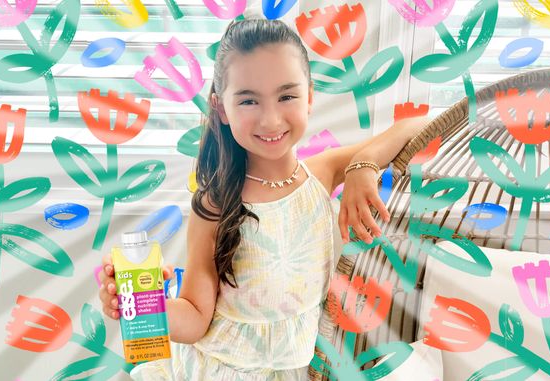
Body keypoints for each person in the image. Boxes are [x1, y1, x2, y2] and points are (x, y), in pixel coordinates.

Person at [98, 17, 428, 380]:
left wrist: (361, 167)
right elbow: (194, 317)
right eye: (249, 100)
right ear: (221, 108)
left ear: (310, 97)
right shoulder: (215, 205)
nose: (271, 120)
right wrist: (148, 309)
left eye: (287, 96)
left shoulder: (320, 174)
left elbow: (417, 126)